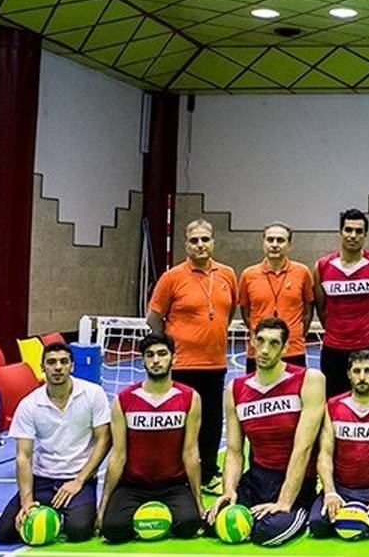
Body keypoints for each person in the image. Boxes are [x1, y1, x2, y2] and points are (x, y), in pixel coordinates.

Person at [207, 318, 326, 547]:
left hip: (295, 480)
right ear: (252, 341)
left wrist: (284, 501)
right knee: (216, 523)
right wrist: (229, 491)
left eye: (273, 343)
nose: (264, 350)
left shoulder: (309, 380)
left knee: (267, 533)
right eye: (260, 341)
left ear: (285, 347)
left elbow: (303, 448)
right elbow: (234, 451)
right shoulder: (236, 389)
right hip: (257, 479)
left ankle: (301, 510)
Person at [146, 218, 237, 494]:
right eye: (194, 240)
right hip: (182, 366)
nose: (200, 245)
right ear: (186, 245)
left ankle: (208, 474)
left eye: (205, 239)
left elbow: (228, 313)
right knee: (180, 423)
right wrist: (170, 348)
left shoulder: (227, 274)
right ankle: (176, 476)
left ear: (213, 242)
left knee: (211, 423)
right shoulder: (171, 277)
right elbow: (154, 318)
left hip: (214, 364)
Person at [0, 342, 111, 545]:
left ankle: (67, 512)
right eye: (51, 362)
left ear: (72, 366)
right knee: (4, 533)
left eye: (64, 362)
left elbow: (104, 438)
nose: (58, 367)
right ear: (42, 367)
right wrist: (27, 502)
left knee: (79, 531)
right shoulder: (29, 404)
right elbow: (23, 456)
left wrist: (79, 480)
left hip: (78, 479)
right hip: (42, 480)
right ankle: (52, 512)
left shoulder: (93, 394)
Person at [98, 334, 203, 543]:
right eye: (150, 355)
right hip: (133, 485)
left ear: (173, 358)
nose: (156, 360)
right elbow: (118, 455)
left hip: (173, 485)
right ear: (143, 360)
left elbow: (191, 453)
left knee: (189, 525)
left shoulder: (190, 397)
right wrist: (103, 506)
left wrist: (198, 501)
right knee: (112, 530)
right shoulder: (124, 399)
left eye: (162, 354)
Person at [310, 349, 369, 539]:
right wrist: (330, 492)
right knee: (318, 526)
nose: (362, 377)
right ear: (348, 374)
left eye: (368, 371)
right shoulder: (333, 406)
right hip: (341, 489)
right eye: (356, 371)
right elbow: (325, 454)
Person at [314, 209, 369, 397]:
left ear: (365, 235)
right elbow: (321, 308)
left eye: (359, 231)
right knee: (334, 403)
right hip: (334, 349)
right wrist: (336, 331)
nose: (353, 235)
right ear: (340, 232)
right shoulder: (322, 267)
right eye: (348, 230)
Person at [239, 221, 315, 373]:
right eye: (270, 240)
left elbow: (308, 311)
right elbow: (245, 312)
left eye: (280, 240)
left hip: (293, 350)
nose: (274, 245)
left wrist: (296, 334)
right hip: (259, 351)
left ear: (289, 245)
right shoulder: (248, 275)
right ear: (264, 243)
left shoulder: (302, 272)